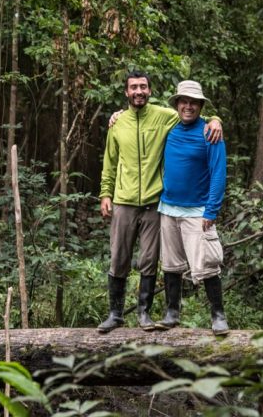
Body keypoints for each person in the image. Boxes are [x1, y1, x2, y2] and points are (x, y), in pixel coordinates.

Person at [97, 71, 223, 333]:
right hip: (131, 201)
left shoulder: (167, 118)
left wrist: (215, 119)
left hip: (158, 204)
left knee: (154, 259)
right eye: (133, 88)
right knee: (125, 258)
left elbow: (197, 120)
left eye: (143, 87)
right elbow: (109, 163)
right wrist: (105, 194)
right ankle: (117, 314)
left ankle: (146, 313)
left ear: (150, 91)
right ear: (126, 92)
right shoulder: (119, 123)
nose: (139, 91)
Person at [154, 80, 229, 336]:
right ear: (176, 104)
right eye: (183, 102)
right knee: (171, 265)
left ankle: (218, 315)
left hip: (197, 211)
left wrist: (211, 210)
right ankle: (172, 312)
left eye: (193, 103)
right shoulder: (169, 129)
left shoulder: (210, 132)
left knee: (207, 264)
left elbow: (218, 174)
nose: (188, 107)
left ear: (200, 106)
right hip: (168, 208)